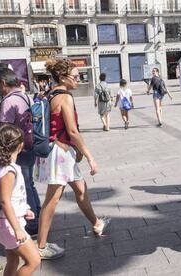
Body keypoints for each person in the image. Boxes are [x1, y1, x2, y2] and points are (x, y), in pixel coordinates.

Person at [35, 59, 110, 260]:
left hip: (59, 150)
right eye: (75, 76)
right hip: (60, 154)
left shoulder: (50, 94)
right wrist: (89, 155)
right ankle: (40, 246)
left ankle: (96, 223)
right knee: (52, 199)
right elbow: (72, 131)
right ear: (62, 77)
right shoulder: (65, 97)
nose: (79, 79)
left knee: (81, 189)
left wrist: (75, 149)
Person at [0, 68, 41, 236]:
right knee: (30, 184)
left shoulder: (8, 101)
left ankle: (33, 225)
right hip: (30, 144)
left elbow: (5, 130)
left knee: (23, 185)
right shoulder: (25, 95)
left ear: (3, 83)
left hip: (17, 148)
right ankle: (38, 216)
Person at [0, 125, 41, 276]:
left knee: (13, 261)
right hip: (9, 226)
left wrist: (24, 209)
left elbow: (13, 198)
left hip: (7, 224)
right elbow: (5, 201)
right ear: (20, 146)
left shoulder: (5, 166)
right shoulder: (8, 170)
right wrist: (17, 229)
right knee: (34, 261)